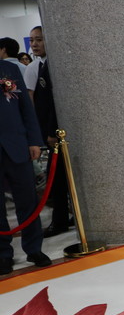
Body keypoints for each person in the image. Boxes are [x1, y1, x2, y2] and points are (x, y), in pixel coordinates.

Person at [0, 59, 51, 275]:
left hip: (17, 144)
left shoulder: (9, 69)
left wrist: (34, 141)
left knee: (27, 200)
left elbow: (26, 109)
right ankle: (3, 253)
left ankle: (34, 248)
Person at [25, 26, 69, 238]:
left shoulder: (54, 66)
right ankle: (62, 218)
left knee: (58, 181)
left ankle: (60, 221)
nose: (34, 44)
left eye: (39, 40)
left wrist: (52, 132)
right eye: (32, 40)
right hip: (48, 132)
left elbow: (55, 102)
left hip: (57, 134)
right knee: (58, 179)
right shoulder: (40, 65)